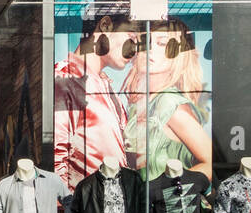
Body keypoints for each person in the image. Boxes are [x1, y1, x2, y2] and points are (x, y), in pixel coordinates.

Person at [53, 13, 139, 189]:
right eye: (131, 37)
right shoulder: (68, 77)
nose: (134, 50)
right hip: (86, 209)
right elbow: (55, 157)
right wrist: (71, 210)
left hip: (108, 206)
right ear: (105, 25)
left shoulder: (104, 86)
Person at [122, 17, 211, 181]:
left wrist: (168, 189)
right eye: (145, 41)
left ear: (178, 55)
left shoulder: (170, 104)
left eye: (162, 44)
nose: (149, 49)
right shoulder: (141, 103)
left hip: (167, 205)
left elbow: (210, 163)